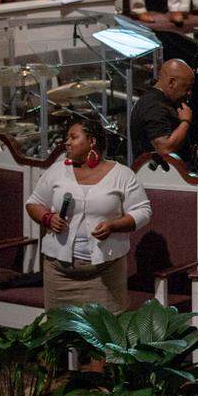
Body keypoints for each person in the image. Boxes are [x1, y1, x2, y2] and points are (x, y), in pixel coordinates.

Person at [26, 121, 151, 314]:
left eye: (73, 137)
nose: (67, 142)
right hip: (59, 273)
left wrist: (113, 226)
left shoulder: (122, 174)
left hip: (104, 274)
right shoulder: (57, 170)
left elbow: (142, 211)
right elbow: (33, 202)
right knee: (60, 334)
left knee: (104, 337)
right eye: (67, 137)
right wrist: (48, 219)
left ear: (92, 141)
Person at [128, 58, 198, 163]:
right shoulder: (153, 105)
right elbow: (164, 149)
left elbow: (172, 152)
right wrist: (185, 122)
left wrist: (194, 154)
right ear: (171, 82)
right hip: (157, 178)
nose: (189, 93)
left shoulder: (160, 103)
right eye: (187, 87)